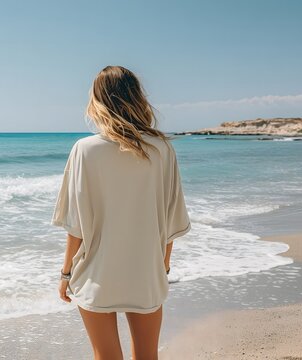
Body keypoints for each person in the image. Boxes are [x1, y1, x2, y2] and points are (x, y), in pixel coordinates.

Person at [51, 65, 191, 360]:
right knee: (147, 356)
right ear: (137, 98)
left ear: (97, 101)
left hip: (97, 273)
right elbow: (171, 217)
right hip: (145, 271)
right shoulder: (162, 149)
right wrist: (161, 268)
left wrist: (65, 274)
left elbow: (75, 224)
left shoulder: (85, 149)